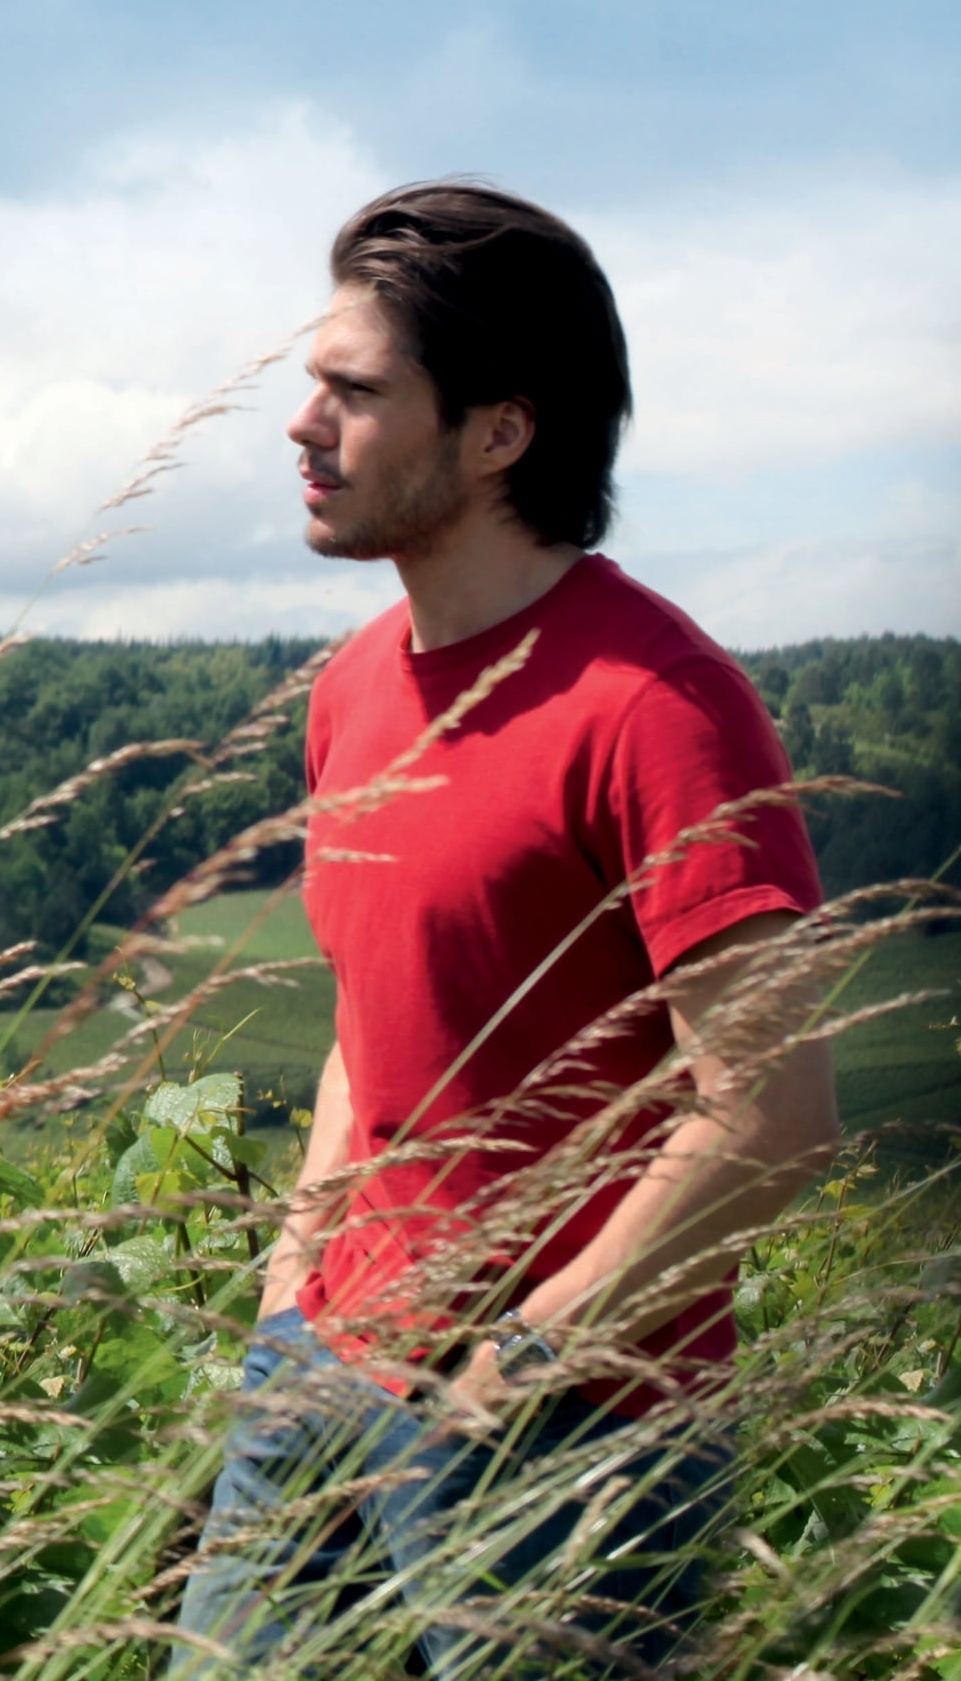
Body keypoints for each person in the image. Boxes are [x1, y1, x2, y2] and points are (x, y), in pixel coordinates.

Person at [176, 183, 836, 1676]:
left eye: (356, 393)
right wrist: (294, 1281)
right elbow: (376, 1022)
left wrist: (527, 1359)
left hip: (566, 1435)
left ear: (498, 434)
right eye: (314, 385)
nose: (304, 426)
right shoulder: (354, 687)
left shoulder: (657, 707)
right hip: (322, 1374)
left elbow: (776, 1115)